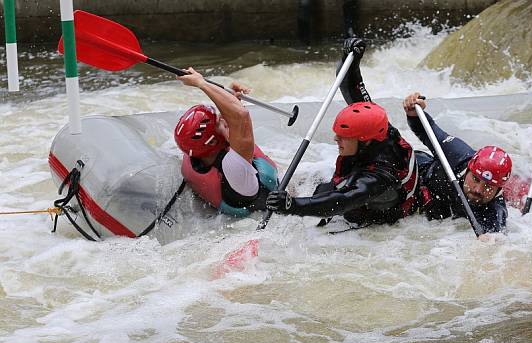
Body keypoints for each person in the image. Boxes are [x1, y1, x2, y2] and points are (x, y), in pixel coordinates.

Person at [265, 39, 419, 227]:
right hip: (359, 185)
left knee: (327, 194)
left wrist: (292, 206)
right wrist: (350, 57)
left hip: (381, 214)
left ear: (365, 141)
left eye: (344, 136)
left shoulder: (379, 176)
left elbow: (343, 200)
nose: (336, 139)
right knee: (322, 189)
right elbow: (350, 86)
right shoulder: (374, 123)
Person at [174, 67, 279, 217]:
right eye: (222, 123)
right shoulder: (234, 167)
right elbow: (240, 116)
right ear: (211, 142)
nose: (225, 119)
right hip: (266, 212)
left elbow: (234, 118)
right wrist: (201, 83)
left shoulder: (195, 153)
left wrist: (230, 98)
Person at [402, 92, 512, 234]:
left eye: (488, 186)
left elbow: (496, 246)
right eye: (475, 179)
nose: (478, 190)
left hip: (436, 216)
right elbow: (426, 130)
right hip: (417, 177)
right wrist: (414, 113)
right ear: (468, 170)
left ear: (498, 190)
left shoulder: (495, 213)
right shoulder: (457, 153)